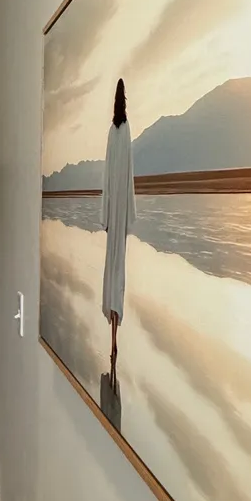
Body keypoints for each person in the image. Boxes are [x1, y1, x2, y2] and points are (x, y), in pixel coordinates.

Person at [101, 78, 137, 383]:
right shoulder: (123, 134)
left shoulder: (114, 134)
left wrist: (107, 215)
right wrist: (126, 215)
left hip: (115, 212)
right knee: (118, 269)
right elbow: (127, 176)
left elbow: (110, 176)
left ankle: (113, 326)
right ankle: (115, 327)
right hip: (119, 211)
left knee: (113, 269)